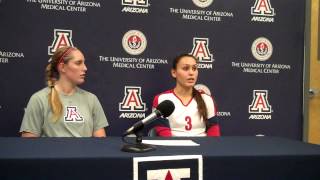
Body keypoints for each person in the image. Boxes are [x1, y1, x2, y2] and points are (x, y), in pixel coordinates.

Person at [20, 46, 108, 137]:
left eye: (84, 63)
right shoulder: (39, 99)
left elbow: (100, 142)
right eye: (78, 63)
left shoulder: (92, 99)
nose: (85, 68)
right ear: (62, 67)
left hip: (85, 151)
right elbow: (29, 144)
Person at [151, 54, 220, 137]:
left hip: (203, 148)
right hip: (174, 147)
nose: (191, 73)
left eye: (194, 68)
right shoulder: (161, 99)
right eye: (185, 68)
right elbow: (163, 131)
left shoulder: (207, 99)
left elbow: (213, 131)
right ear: (174, 73)